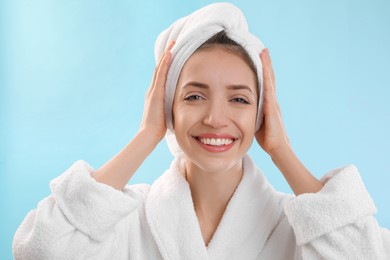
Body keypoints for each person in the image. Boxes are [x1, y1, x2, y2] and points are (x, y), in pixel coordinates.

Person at [13, 3, 390, 259]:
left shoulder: (300, 228)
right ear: (167, 107)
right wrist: (147, 135)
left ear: (261, 112)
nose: (215, 118)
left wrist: (281, 149)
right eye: (194, 96)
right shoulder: (126, 221)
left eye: (240, 100)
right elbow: (40, 249)